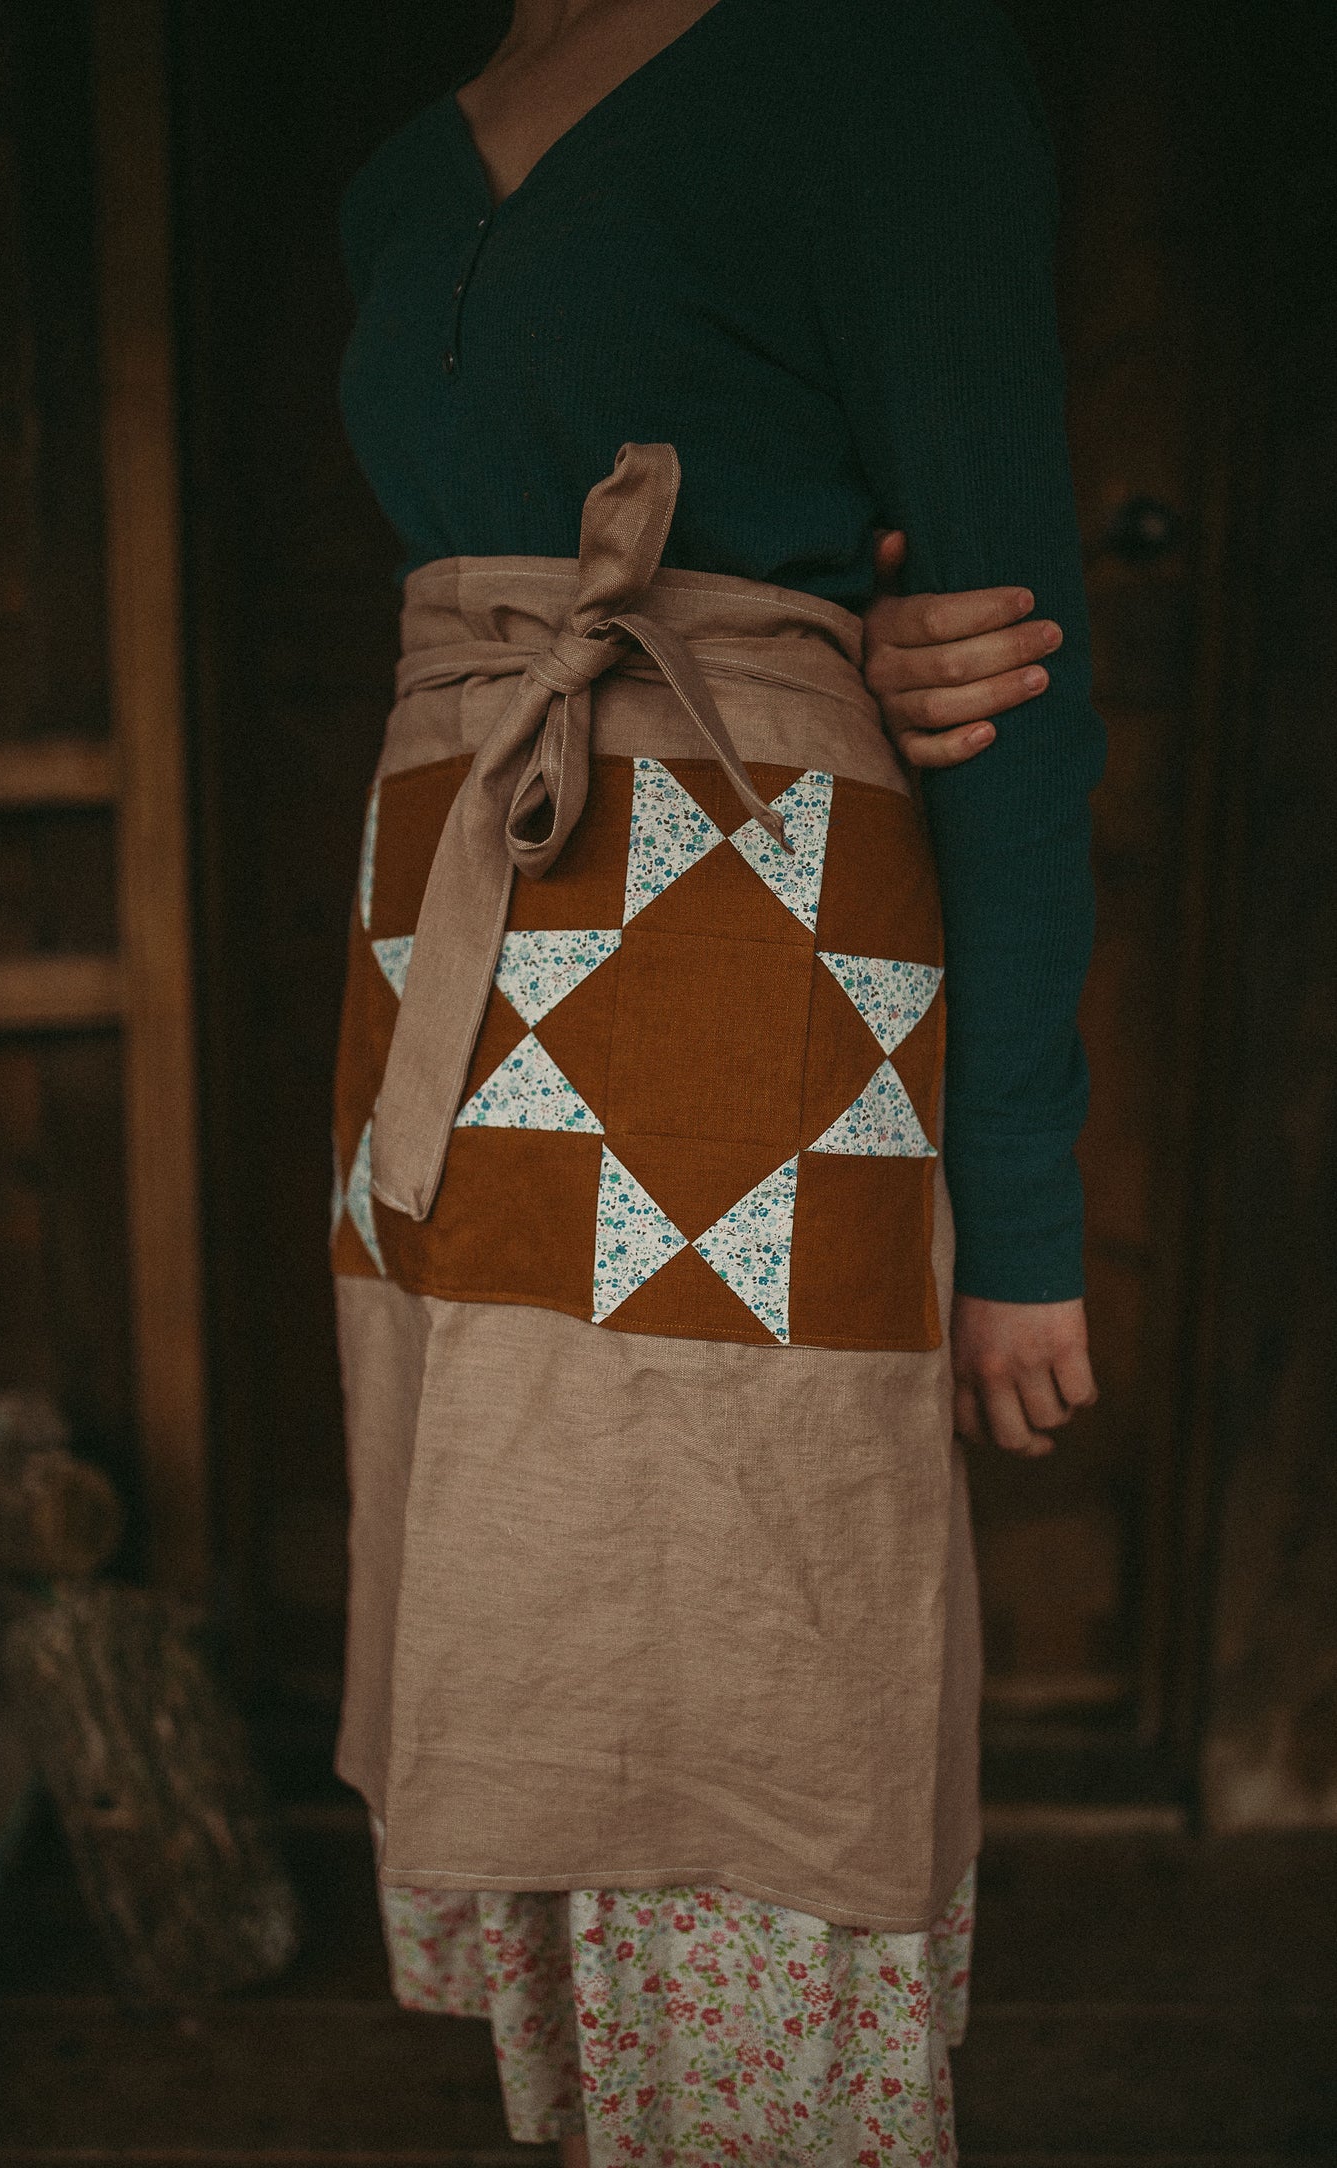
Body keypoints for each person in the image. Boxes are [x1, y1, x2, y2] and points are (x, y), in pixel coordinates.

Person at [329, 2, 1104, 2160]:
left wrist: (1020, 1212)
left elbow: (1014, 656)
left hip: (755, 965)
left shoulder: (879, 68)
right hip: (456, 956)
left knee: (752, 1648)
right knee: (538, 1612)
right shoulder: (411, 166)